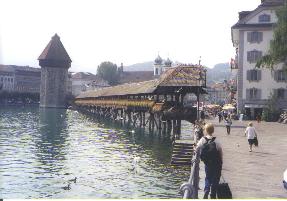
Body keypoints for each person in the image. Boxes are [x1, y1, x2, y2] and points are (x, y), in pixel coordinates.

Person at [195, 123, 223, 199]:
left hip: (207, 162)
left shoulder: (203, 139)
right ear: (213, 131)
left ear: (206, 131)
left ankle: (206, 190)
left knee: (208, 177)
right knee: (216, 177)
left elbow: (197, 148)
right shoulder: (216, 140)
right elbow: (220, 151)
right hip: (216, 162)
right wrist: (221, 161)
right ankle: (213, 193)